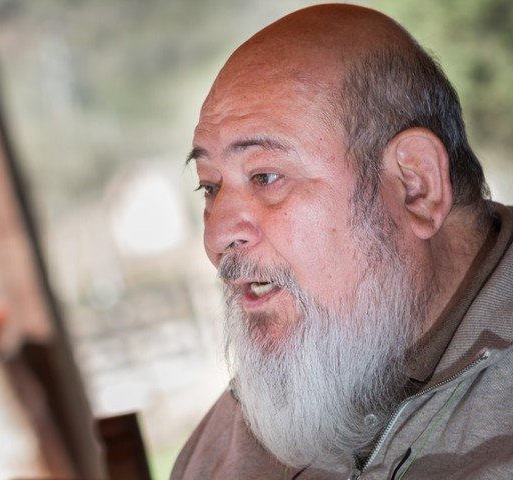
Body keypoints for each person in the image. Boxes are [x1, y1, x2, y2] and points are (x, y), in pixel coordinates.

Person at [171, 4, 513, 479]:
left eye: (265, 176)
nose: (216, 236)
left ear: (416, 186)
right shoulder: (243, 427)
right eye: (210, 187)